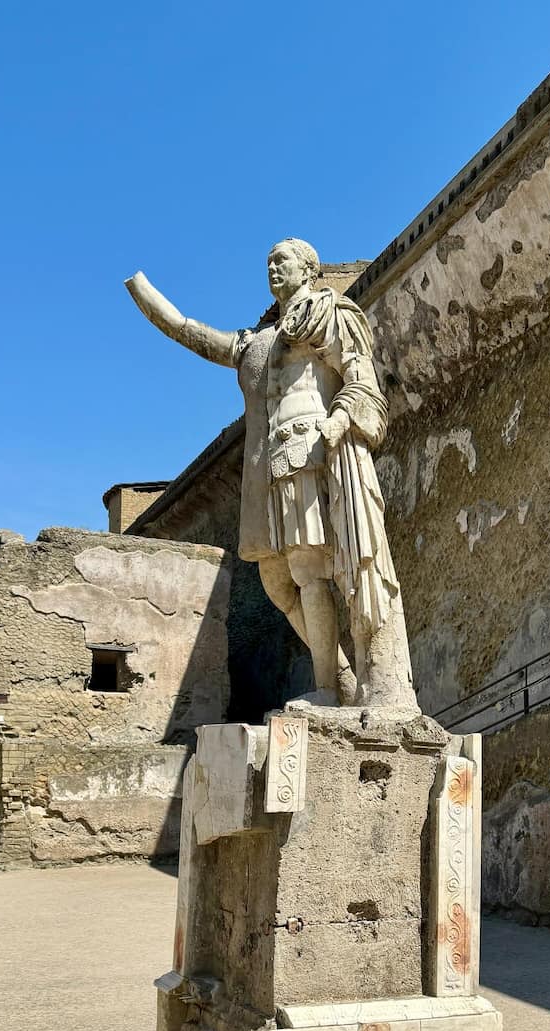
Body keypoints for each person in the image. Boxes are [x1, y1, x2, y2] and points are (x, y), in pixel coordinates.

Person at [126, 238, 416, 709]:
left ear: (308, 269)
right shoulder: (258, 343)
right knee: (277, 582)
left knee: (308, 570)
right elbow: (193, 333)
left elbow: (361, 378)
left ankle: (327, 688)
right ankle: (340, 679)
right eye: (267, 263)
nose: (272, 269)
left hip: (311, 450)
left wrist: (338, 421)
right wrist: (145, 295)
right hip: (268, 473)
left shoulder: (329, 313)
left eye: (281, 261)